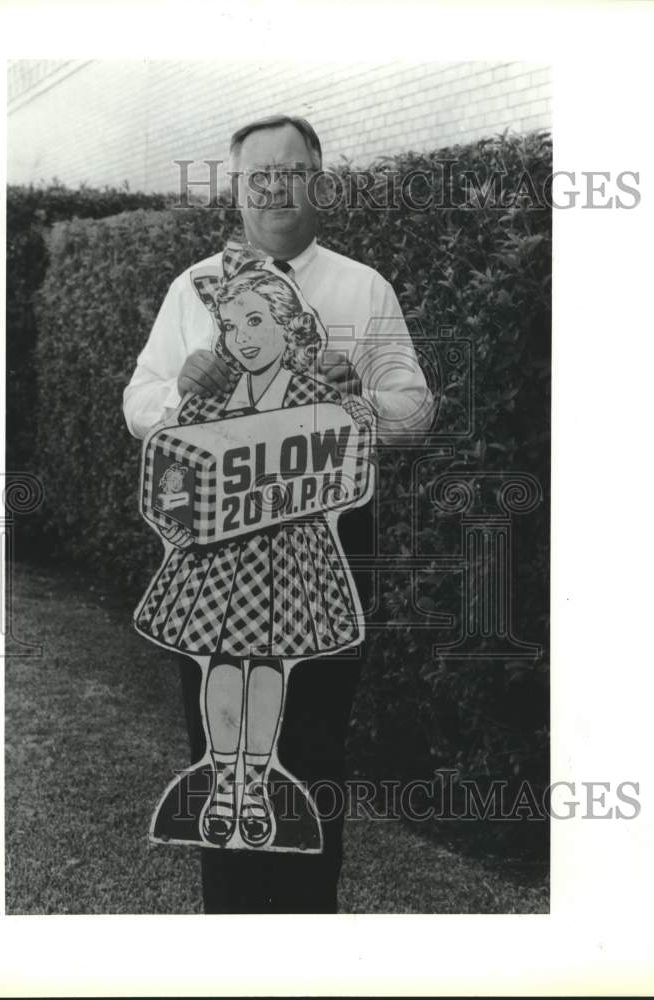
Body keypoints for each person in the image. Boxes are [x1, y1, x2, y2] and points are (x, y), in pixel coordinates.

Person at [123, 114, 434, 912]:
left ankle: (308, 933)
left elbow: (414, 410)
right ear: (236, 189)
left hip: (321, 541)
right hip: (214, 547)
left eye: (289, 172)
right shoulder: (190, 290)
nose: (272, 189)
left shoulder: (362, 289)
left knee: (316, 740)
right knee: (213, 733)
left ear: (316, 183)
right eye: (256, 176)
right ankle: (232, 927)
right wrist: (179, 394)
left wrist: (350, 403)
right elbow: (138, 403)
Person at [136, 247, 375, 853]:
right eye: (232, 325)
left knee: (270, 663)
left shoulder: (317, 395)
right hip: (220, 557)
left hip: (291, 554)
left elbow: (353, 459)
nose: (242, 338)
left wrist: (355, 401)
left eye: (256, 322)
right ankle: (222, 783)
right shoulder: (211, 400)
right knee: (220, 661)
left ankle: (257, 781)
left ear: (287, 327)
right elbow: (167, 469)